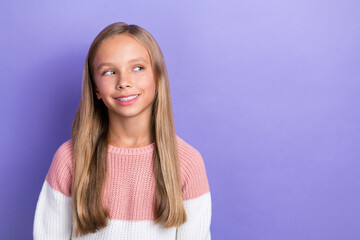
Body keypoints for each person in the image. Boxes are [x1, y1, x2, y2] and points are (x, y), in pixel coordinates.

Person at [33, 22, 211, 239]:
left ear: (157, 76)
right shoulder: (69, 158)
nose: (124, 82)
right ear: (96, 88)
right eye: (109, 72)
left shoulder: (187, 163)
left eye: (137, 68)